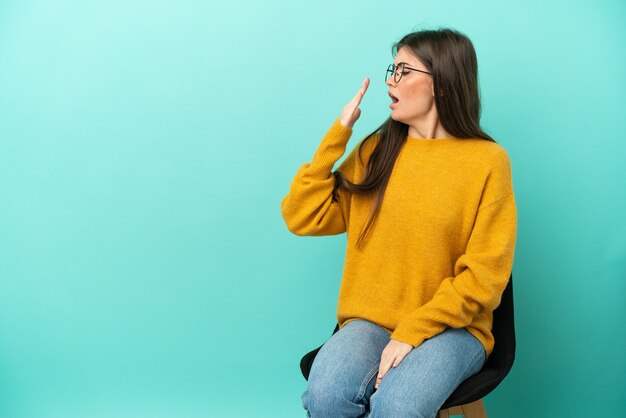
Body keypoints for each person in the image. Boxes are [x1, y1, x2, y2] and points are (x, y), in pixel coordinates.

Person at [280, 27, 517, 418]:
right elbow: (302, 215)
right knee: (326, 397)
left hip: (452, 328)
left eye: (404, 71)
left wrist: (412, 332)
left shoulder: (487, 162)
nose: (391, 80)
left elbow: (486, 277)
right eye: (393, 68)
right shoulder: (378, 150)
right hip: (371, 321)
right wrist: (337, 136)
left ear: (441, 84)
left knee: (397, 408)